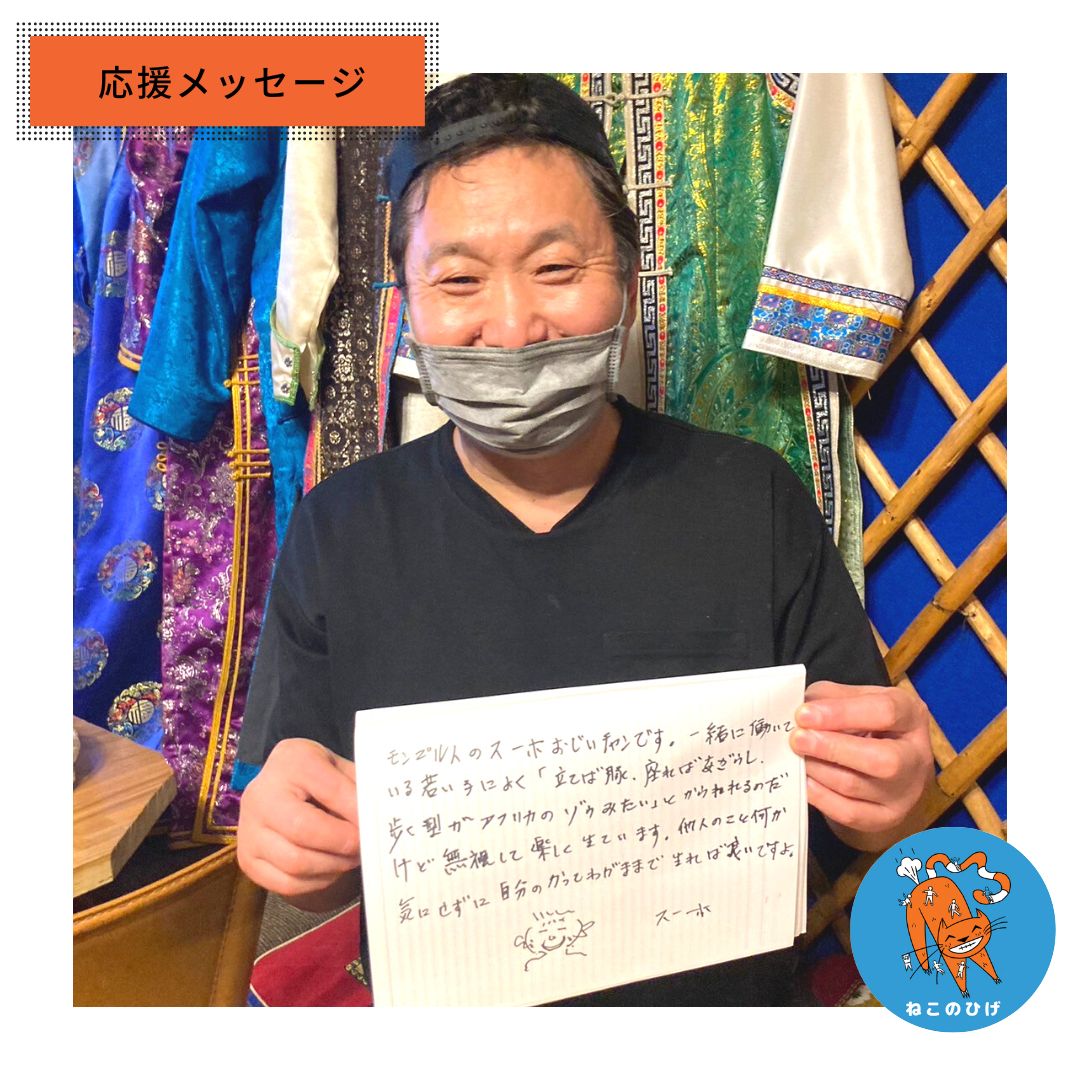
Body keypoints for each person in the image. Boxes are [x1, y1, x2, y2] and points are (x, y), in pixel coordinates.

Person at [236, 73, 934, 1006]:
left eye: (558, 269)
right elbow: (319, 859)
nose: (513, 328)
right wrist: (291, 846)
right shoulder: (342, 529)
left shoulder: (751, 501)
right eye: (458, 279)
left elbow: (866, 819)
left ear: (630, 280)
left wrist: (891, 797)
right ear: (406, 300)